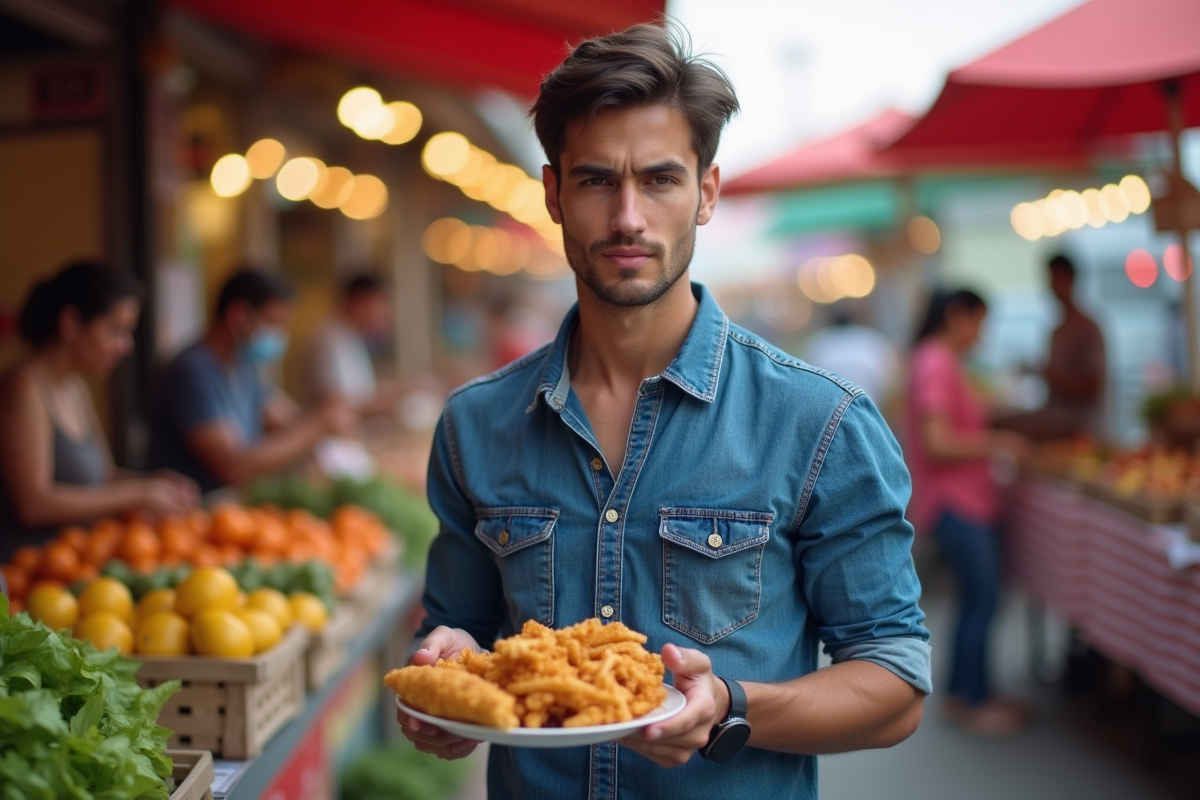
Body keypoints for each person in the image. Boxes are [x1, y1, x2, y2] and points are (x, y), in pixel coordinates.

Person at [399, 23, 930, 799]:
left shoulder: (819, 421)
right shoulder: (474, 426)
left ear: (705, 193)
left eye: (659, 180)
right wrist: (445, 670)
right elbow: (461, 628)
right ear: (552, 193)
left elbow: (895, 683)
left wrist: (730, 708)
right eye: (595, 181)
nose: (627, 217)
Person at [0, 262, 197, 559]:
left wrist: (154, 483)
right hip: (32, 569)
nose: (125, 346)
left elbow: (101, 477)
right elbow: (33, 504)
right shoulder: (24, 389)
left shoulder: (74, 387)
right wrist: (138, 494)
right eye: (115, 330)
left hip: (80, 559)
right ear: (70, 322)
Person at [904, 289, 1029, 736]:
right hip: (956, 503)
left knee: (976, 600)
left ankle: (968, 693)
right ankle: (973, 701)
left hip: (964, 501)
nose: (982, 333)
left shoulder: (941, 361)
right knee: (981, 600)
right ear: (957, 316)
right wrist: (998, 442)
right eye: (979, 322)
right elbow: (937, 442)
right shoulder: (935, 361)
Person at [151, 268, 357, 494]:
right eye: (273, 322)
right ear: (239, 315)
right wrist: (317, 425)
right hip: (195, 509)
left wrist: (326, 421)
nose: (279, 335)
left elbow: (284, 417)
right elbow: (233, 466)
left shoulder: (242, 367)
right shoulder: (192, 371)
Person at [1002, 254, 1106, 439]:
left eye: (1055, 279)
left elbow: (1093, 387)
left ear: (1069, 279)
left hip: (1078, 426)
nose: (1051, 287)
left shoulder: (1086, 329)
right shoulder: (1057, 330)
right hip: (1057, 419)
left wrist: (1049, 374)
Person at [302, 273, 401, 416]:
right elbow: (336, 404)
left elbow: (362, 394)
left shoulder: (352, 336)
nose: (386, 313)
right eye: (381, 305)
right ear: (358, 304)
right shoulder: (328, 340)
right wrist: (399, 403)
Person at [803, 309, 900, 406]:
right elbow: (889, 380)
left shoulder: (819, 341)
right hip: (869, 404)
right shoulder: (872, 339)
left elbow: (809, 380)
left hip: (830, 406)